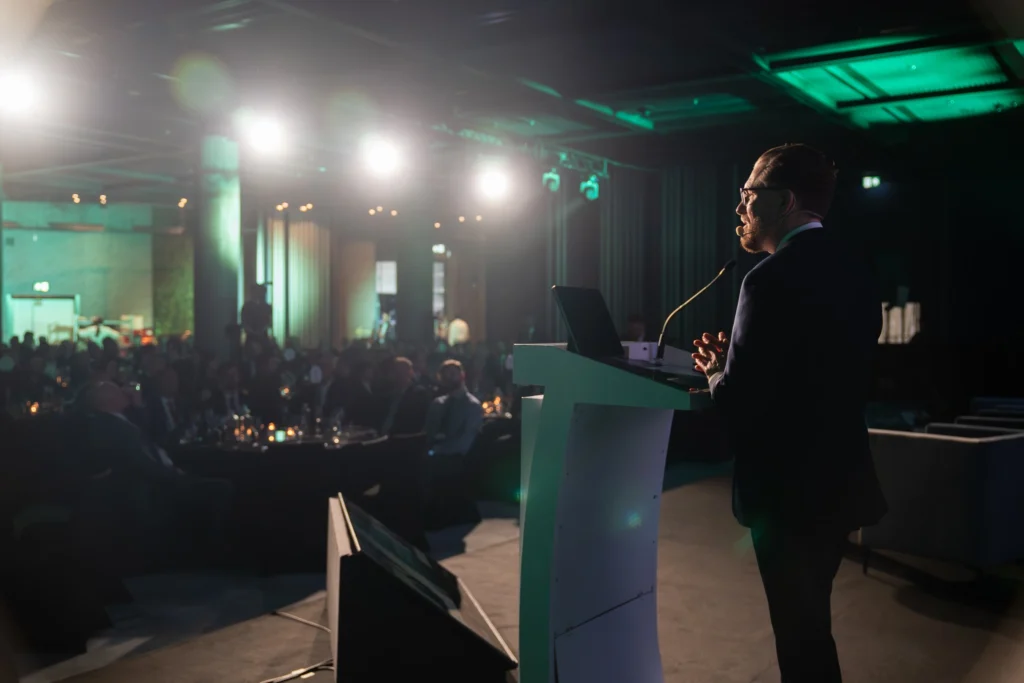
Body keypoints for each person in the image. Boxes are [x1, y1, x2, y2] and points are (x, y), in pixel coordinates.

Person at [691, 144, 886, 683]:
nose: (740, 207)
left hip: (787, 497)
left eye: (748, 194)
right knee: (811, 629)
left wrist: (716, 372)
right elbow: (823, 375)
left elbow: (739, 404)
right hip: (841, 484)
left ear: (785, 202)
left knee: (800, 641)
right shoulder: (857, 272)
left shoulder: (766, 280)